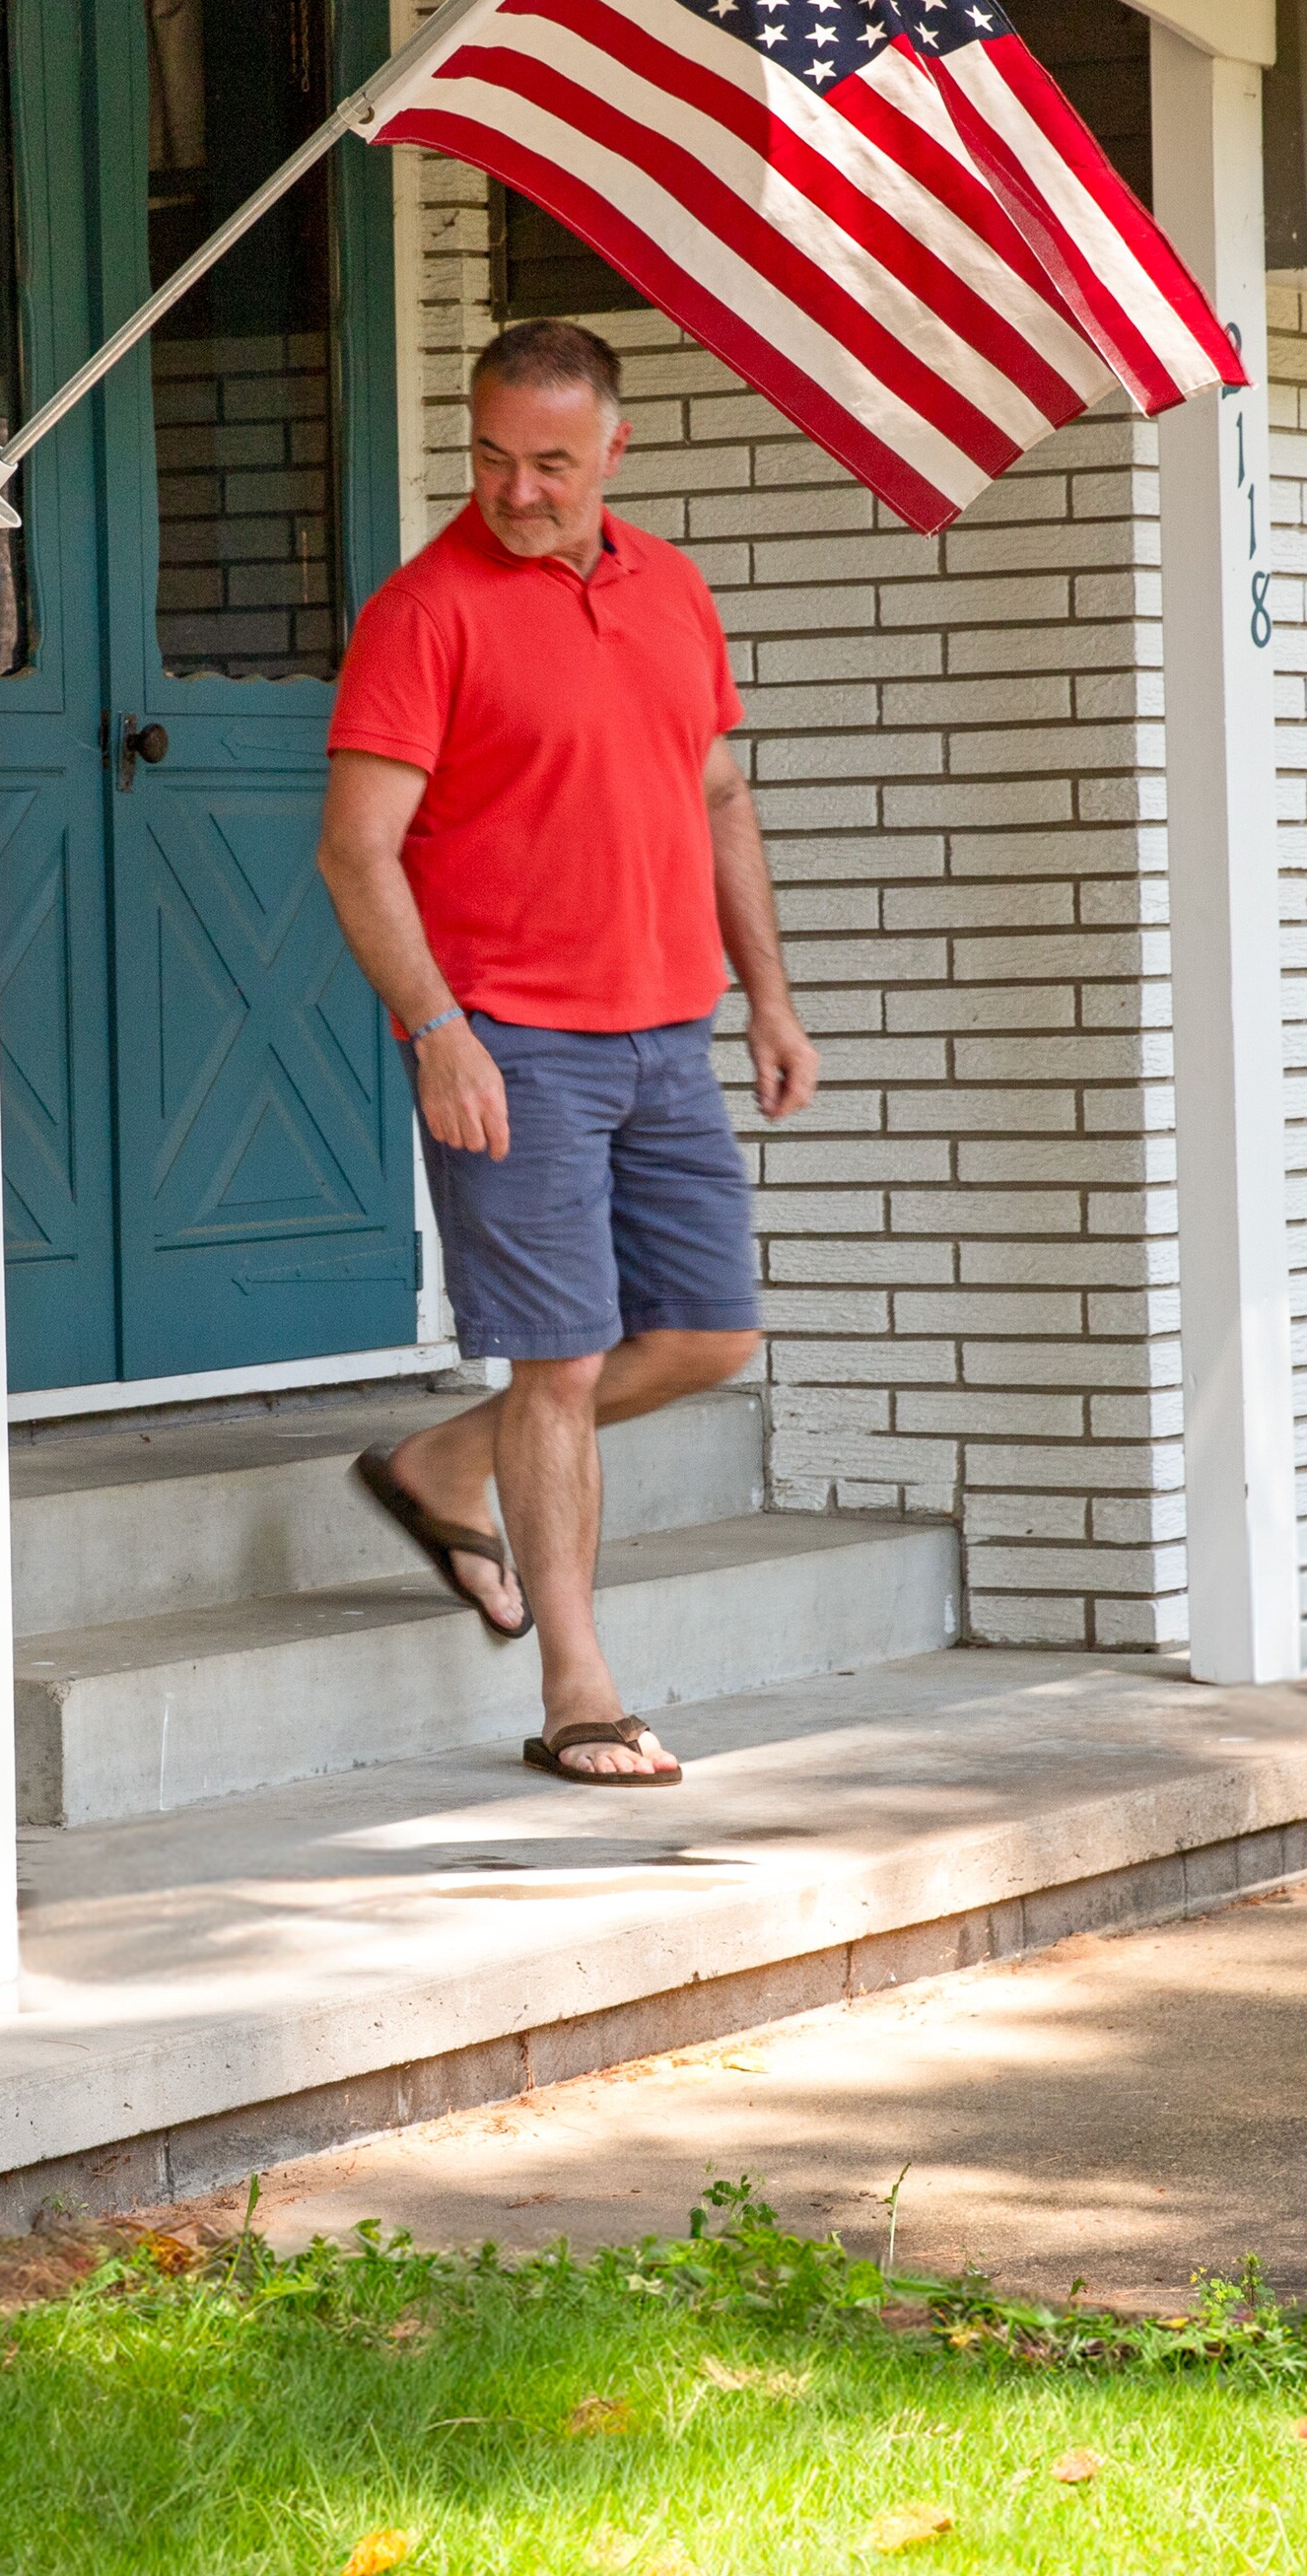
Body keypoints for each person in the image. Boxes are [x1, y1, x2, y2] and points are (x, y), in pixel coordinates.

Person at [317, 318, 816, 1785]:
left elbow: (717, 797)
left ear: (614, 450)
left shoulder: (673, 589)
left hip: (666, 1032)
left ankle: (438, 1466)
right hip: (516, 1044)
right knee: (561, 1361)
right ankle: (579, 1690)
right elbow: (357, 850)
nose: (516, 490)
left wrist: (768, 997)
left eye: (549, 462)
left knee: (710, 1336)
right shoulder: (426, 611)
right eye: (490, 456)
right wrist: (438, 1031)